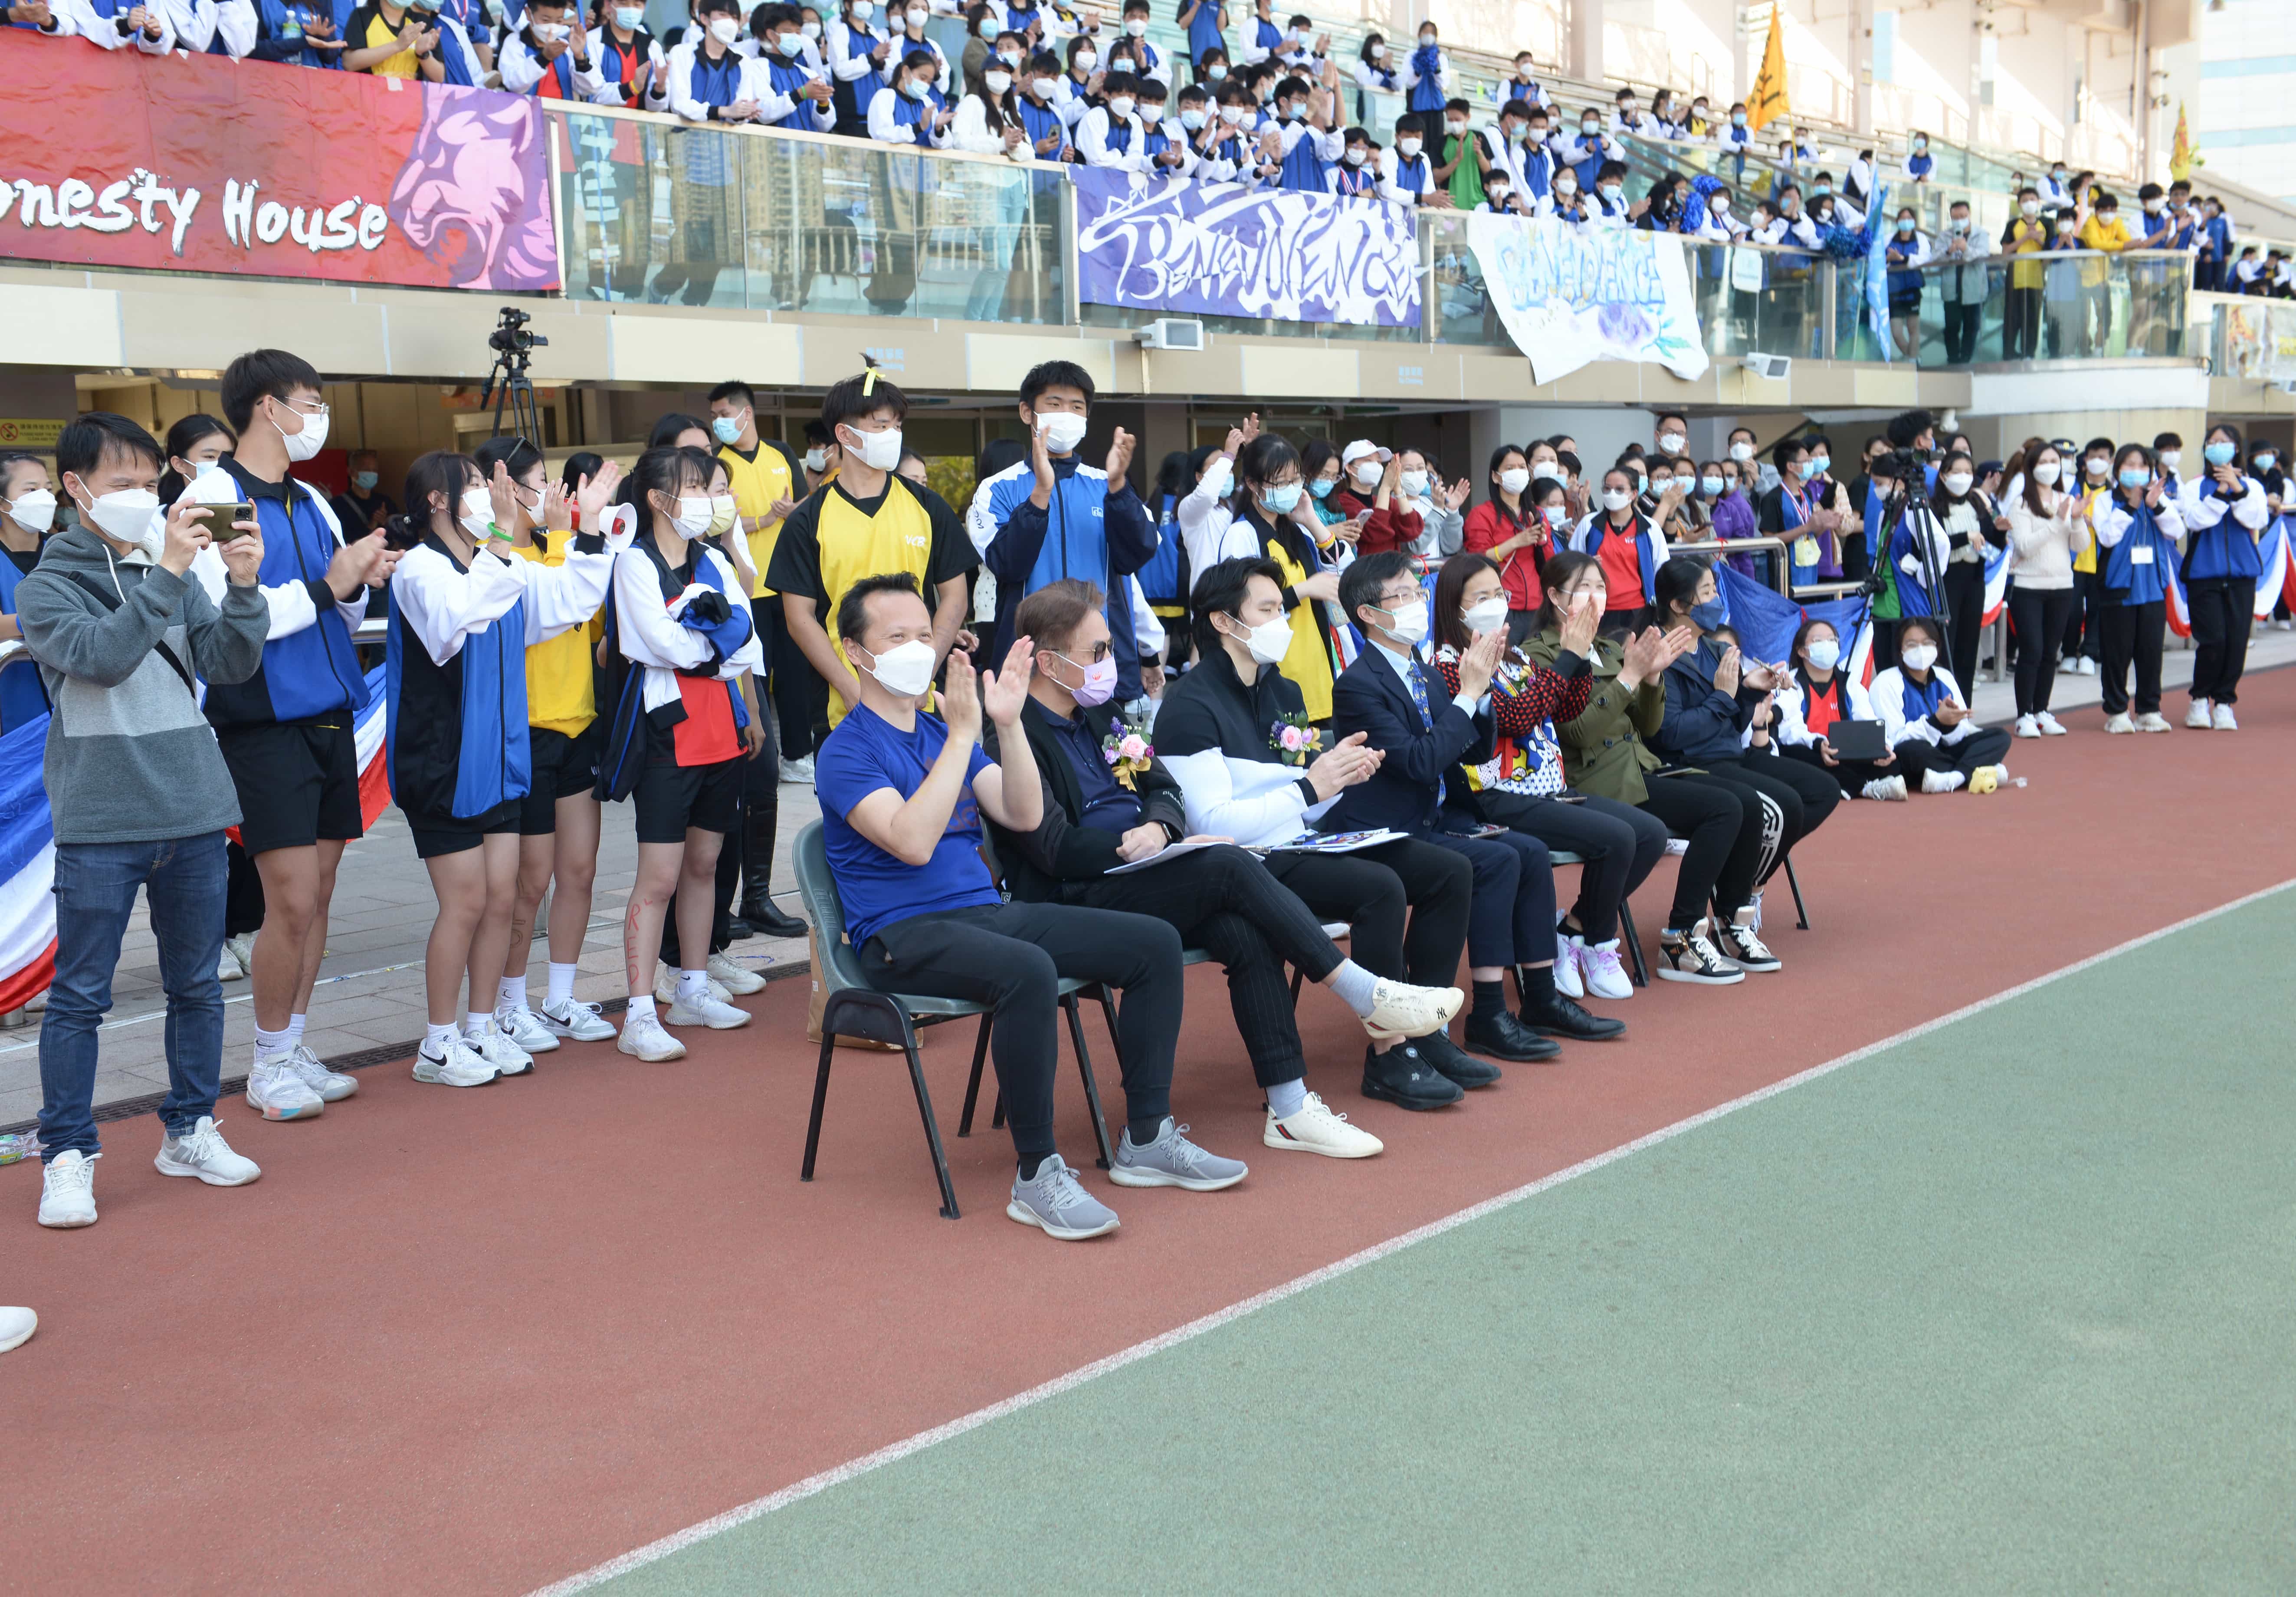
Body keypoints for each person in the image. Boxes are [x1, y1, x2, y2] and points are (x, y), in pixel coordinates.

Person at [821, 571, 1246, 1238]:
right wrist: (961, 739)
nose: (917, 649)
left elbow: (1021, 812)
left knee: (1152, 943)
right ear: (855, 651)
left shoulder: (941, 732)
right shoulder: (846, 751)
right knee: (1027, 971)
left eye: (924, 635)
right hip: (901, 934)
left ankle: (1147, 1137)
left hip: (983, 913)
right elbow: (912, 842)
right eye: (896, 637)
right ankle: (1036, 1174)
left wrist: (1007, 726)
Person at [990, 579, 1469, 1157]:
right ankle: (1364, 992)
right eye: (1096, 652)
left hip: (1147, 871)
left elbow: (1164, 789)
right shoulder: (1013, 733)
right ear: (1048, 662)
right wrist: (1130, 845)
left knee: (1244, 929)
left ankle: (1290, 1108)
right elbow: (1050, 846)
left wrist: (1161, 829)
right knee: (1225, 862)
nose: (1110, 663)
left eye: (1110, 648)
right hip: (1078, 892)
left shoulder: (1102, 715)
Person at [19, 413, 269, 1229]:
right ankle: (67, 1153)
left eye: (149, 482)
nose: (142, 496)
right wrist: (168, 568)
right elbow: (102, 658)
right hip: (101, 814)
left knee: (196, 985)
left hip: (193, 805)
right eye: (121, 482)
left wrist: (242, 586)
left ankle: (191, 1127)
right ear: (76, 488)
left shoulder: (176, 569)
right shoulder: (46, 586)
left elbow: (229, 665)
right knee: (80, 997)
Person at [1153, 556, 1484, 1110]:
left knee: (1448, 871)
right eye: (1268, 609)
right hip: (1247, 861)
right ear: (1223, 622)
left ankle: (1426, 1033)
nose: (1283, 620)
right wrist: (1312, 788)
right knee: (1380, 887)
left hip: (1298, 842)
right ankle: (1390, 1054)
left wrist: (1344, 775)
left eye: (1282, 608)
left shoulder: (1282, 688)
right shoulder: (1189, 705)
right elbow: (1211, 823)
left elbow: (1307, 801)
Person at [182, 349, 397, 1121]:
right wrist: (332, 585)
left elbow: (336, 603)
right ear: (267, 407)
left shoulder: (312, 498)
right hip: (260, 721)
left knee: (322, 892)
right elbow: (234, 618)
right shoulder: (212, 496)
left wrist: (359, 578)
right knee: (293, 899)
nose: (319, 418)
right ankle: (268, 1061)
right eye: (310, 402)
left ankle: (293, 1044)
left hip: (330, 710)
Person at [385, 450, 626, 1086]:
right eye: (473, 485)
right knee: (465, 902)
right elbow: (453, 624)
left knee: (500, 899)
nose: (490, 495)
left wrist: (588, 530)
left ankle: (482, 1024)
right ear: (437, 500)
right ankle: (438, 1042)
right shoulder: (419, 567)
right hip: (440, 760)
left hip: (498, 758)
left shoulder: (506, 563)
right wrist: (498, 540)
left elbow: (571, 600)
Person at [1326, 552, 1616, 1065]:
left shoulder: (1426, 673)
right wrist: (1470, 694)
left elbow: (1476, 751)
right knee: (1495, 860)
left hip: (1440, 815)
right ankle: (1486, 1011)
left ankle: (1540, 995)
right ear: (1368, 613)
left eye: (1418, 592)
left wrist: (1477, 696)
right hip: (1391, 829)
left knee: (1528, 852)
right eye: (1403, 595)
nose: (1417, 603)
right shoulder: (1357, 684)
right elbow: (1419, 761)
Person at [584, 445, 764, 1062]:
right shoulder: (633, 562)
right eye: (697, 487)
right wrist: (713, 646)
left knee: (705, 864)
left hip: (721, 732)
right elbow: (656, 643)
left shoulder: (715, 559)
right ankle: (638, 1013)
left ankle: (693, 987)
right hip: (667, 736)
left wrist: (704, 645)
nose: (711, 500)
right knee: (659, 876)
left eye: (713, 488)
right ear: (659, 498)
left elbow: (746, 639)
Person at [1430, 554, 1666, 1003]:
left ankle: (1574, 931)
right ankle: (1598, 941)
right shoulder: (1448, 664)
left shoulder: (1514, 655)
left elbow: (1565, 708)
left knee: (1650, 833)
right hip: (1495, 794)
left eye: (1498, 593)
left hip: (1548, 787)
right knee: (1617, 838)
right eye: (1481, 597)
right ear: (1453, 607)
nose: (1495, 603)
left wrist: (1580, 658)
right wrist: (1569, 656)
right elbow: (1517, 717)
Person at [1524, 555, 1752, 986]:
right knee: (1704, 814)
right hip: (1591, 779)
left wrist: (1651, 678)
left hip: (1639, 769)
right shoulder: (1540, 653)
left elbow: (1647, 727)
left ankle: (1576, 926)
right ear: (1555, 595)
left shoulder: (1610, 648)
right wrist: (1630, 676)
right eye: (1585, 587)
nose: (1597, 596)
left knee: (1731, 805)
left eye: (1601, 587)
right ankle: (1673, 937)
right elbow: (1577, 733)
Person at [472, 443, 625, 1055]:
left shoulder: (562, 546)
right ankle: (510, 1003)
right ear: (506, 488)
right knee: (529, 881)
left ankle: (560, 997)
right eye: (539, 482)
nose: (551, 494)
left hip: (578, 726)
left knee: (579, 871)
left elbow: (593, 618)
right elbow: (563, 600)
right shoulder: (500, 557)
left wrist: (578, 536)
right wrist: (567, 536)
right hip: (527, 733)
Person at [1648, 556, 1840, 961]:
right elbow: (1671, 734)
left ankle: (1745, 885)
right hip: (1689, 764)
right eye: (1707, 593)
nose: (1716, 600)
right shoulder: (1661, 655)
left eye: (1714, 590)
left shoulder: (1717, 649)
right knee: (1767, 806)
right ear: (1679, 605)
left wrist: (1752, 691)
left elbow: (1732, 721)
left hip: (1729, 755)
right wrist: (1724, 696)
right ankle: (1731, 913)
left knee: (1821, 789)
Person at [767, 373, 977, 733]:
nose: (893, 435)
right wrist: (849, 688)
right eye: (881, 426)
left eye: (897, 426)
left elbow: (955, 597)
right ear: (845, 434)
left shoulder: (928, 506)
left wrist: (927, 671)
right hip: (842, 708)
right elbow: (799, 618)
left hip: (921, 703)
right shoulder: (808, 520)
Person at [969, 361, 1157, 708]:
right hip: (1029, 666)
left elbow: (1138, 553)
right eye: (1054, 404)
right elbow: (1007, 565)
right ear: (1028, 412)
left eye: (1077, 407)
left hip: (1102, 665)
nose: (1066, 415)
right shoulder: (998, 489)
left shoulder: (1106, 484)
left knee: (1110, 745)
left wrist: (1118, 487)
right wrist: (1040, 493)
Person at [707, 380, 810, 936]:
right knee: (729, 785)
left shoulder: (779, 454)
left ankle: (757, 896)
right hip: (722, 654)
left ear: (747, 413)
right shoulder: (717, 461)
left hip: (771, 595)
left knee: (767, 747)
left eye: (725, 413)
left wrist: (776, 520)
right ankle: (713, 914)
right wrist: (756, 522)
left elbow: (747, 570)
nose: (720, 422)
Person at [1173, 431, 1343, 720]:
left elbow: (1336, 568)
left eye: (1296, 480)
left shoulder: (1296, 530)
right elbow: (1242, 607)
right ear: (1253, 484)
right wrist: (1304, 590)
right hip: (1277, 668)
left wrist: (1311, 520)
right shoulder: (1242, 534)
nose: (1291, 488)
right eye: (1281, 482)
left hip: (1316, 662)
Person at [2178, 422, 2268, 731]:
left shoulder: (2253, 486)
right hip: (2204, 574)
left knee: (2237, 642)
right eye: (2212, 443)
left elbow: (2256, 518)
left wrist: (2238, 489)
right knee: (2213, 639)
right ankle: (2199, 699)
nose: (2217, 447)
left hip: (2243, 574)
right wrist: (2220, 492)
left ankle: (2225, 702)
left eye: (2224, 442)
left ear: (2236, 448)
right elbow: (2196, 521)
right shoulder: (2195, 487)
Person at [2091, 443, 2184, 735]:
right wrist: (2131, 505)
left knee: (2151, 654)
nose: (2136, 471)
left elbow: (2177, 531)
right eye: (2129, 465)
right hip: (2118, 587)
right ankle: (2117, 711)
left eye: (2142, 466)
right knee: (2117, 654)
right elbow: (2107, 537)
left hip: (2153, 587)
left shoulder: (2157, 498)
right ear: (2117, 470)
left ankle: (2149, 711)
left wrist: (2155, 505)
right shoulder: (2106, 500)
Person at [1869, 615, 2011, 792]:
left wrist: (1951, 726)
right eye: (1912, 645)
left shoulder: (1945, 676)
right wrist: (1936, 722)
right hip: (1916, 754)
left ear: (1937, 647)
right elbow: (1894, 739)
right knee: (1912, 751)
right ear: (1900, 651)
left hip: (1945, 751)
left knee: (2000, 737)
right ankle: (1978, 769)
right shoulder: (1886, 682)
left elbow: (1962, 732)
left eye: (1927, 643)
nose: (1921, 650)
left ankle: (1955, 778)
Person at [1773, 616, 1904, 801]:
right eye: (1818, 641)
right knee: (1797, 756)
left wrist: (1883, 746)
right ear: (1802, 651)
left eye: (1832, 640)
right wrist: (1819, 744)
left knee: (1893, 762)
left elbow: (1868, 720)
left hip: (1845, 752)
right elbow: (1789, 731)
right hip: (1812, 749)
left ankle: (1846, 785)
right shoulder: (1791, 684)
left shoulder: (1850, 684)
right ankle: (1864, 787)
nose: (1827, 645)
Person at [2002, 440, 2082, 738]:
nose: (2051, 467)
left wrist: (2077, 520)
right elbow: (2024, 546)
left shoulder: (2066, 499)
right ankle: (2024, 714)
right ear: (2031, 467)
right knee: (2032, 650)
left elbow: (2080, 545)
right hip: (2029, 587)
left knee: (2051, 652)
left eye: (2055, 461)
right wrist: (2058, 520)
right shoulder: (2021, 504)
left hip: (2062, 585)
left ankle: (2042, 711)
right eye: (2044, 462)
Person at [1929, 452, 2002, 692]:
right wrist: (1965, 537)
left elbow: (1990, 544)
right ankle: (1944, 701)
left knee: (1968, 648)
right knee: (1946, 646)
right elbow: (1932, 545)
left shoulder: (1977, 504)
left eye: (1968, 472)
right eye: (1957, 472)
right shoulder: (1933, 507)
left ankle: (1964, 704)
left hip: (1974, 580)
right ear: (1943, 476)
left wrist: (2000, 532)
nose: (1963, 477)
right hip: (1947, 580)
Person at [1460, 444, 1548, 643]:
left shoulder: (1536, 514)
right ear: (1495, 477)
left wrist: (1542, 541)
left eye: (1522, 467)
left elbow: (1550, 563)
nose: (1517, 472)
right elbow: (1477, 560)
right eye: (1510, 468)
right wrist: (1516, 542)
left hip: (1536, 604)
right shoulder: (1482, 515)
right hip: (1501, 605)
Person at [1572, 466, 1671, 634]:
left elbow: (1662, 570)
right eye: (1607, 489)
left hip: (1638, 611)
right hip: (1596, 609)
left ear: (1634, 494)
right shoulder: (1589, 525)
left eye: (1619, 489)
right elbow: (1570, 565)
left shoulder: (1650, 528)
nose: (1612, 494)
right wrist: (1586, 565)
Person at [0, 451, 57, 736]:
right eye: (31, 490)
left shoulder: (65, 549)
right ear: (3, 502)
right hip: (13, 703)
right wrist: (51, 620)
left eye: (48, 488)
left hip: (73, 701)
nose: (44, 498)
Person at [1933, 198, 1991, 365]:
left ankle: (1965, 361)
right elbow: (1935, 259)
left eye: (1963, 216)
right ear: (1951, 218)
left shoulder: (1981, 234)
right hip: (1952, 290)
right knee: (1951, 328)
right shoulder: (1945, 236)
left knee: (1972, 327)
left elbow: (1983, 255)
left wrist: (1966, 249)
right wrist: (1949, 251)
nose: (1959, 220)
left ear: (1969, 215)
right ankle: (1953, 360)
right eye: (1956, 217)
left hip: (1974, 289)